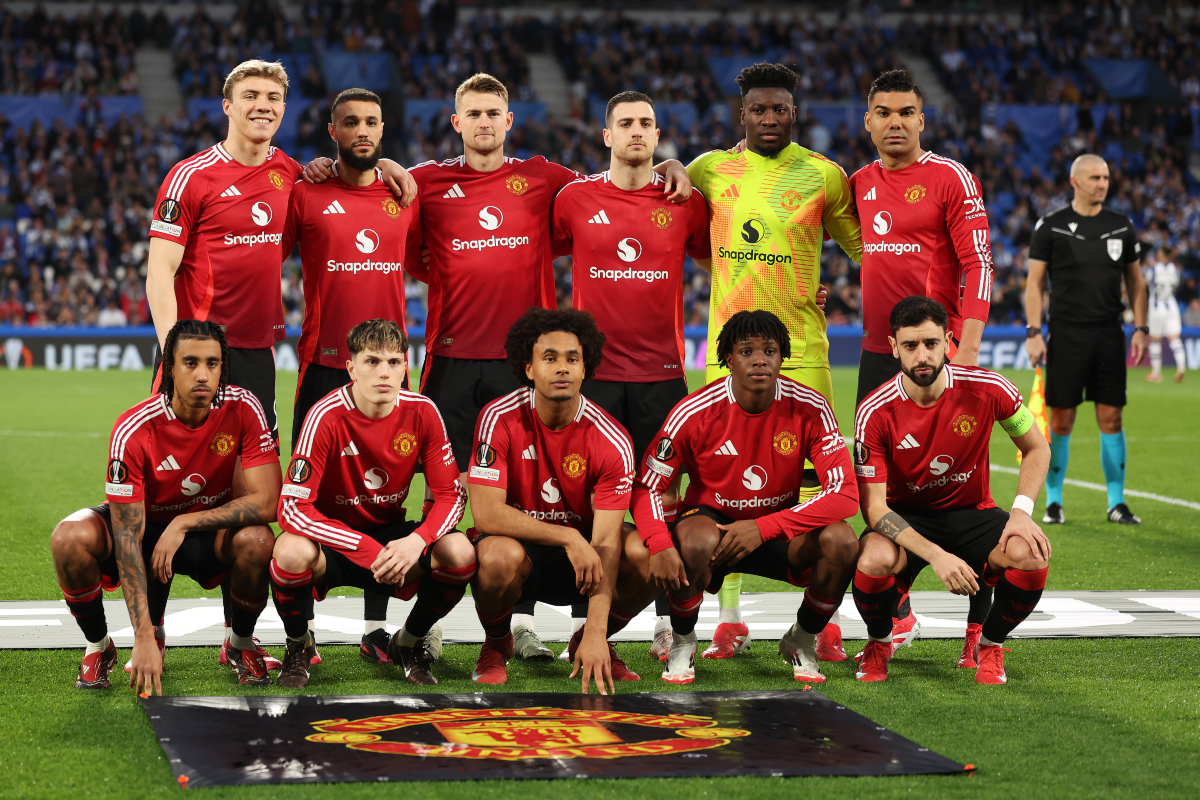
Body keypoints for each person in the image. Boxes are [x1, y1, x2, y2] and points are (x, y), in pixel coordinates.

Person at [396, 73, 690, 661]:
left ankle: (525, 621)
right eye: (472, 113)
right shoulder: (425, 183)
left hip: (519, 365)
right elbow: (408, 252)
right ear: (456, 123)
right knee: (446, 492)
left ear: (510, 122)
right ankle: (428, 620)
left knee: (531, 487)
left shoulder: (549, 181)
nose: (483, 122)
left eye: (494, 112)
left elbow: (614, 181)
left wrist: (674, 163)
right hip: (450, 358)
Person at [146, 59, 415, 658]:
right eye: (251, 96)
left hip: (257, 355)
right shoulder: (190, 177)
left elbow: (351, 180)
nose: (263, 105)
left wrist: (388, 165)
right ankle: (153, 631)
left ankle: (238, 638)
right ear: (228, 104)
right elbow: (159, 270)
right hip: (197, 357)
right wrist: (176, 351)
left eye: (273, 97)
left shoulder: (292, 175)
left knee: (250, 499)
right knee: (171, 492)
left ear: (285, 110)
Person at [685, 62, 862, 660]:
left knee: (815, 488)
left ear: (794, 112)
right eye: (758, 110)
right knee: (723, 491)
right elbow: (682, 239)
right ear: (742, 114)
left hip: (805, 353)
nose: (768, 118)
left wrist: (822, 286)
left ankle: (817, 621)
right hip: (727, 356)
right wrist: (735, 277)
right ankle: (728, 619)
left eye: (779, 109)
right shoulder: (707, 171)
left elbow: (868, 247)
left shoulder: (825, 176)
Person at [550, 90, 712, 661]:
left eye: (646, 122)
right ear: (606, 136)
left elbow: (724, 259)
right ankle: (585, 626)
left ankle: (667, 622)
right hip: (592, 380)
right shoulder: (573, 199)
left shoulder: (685, 201)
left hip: (662, 376)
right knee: (592, 504)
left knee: (660, 499)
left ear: (658, 134)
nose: (637, 131)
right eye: (626, 123)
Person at [848, 68, 997, 667]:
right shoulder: (857, 182)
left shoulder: (950, 178)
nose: (895, 123)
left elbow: (978, 264)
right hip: (878, 353)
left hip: (943, 352)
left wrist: (971, 347)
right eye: (883, 112)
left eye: (905, 112)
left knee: (966, 488)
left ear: (922, 119)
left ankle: (978, 631)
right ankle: (897, 610)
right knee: (881, 486)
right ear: (868, 121)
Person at [50, 320, 281, 693]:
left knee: (257, 540)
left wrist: (185, 523)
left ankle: (239, 643)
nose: (203, 374)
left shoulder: (243, 407)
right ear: (169, 369)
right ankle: (99, 646)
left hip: (205, 531)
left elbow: (269, 502)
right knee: (69, 538)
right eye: (190, 363)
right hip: (145, 524)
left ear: (223, 367)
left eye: (213, 363)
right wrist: (142, 636)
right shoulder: (135, 427)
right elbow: (126, 534)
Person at [631, 310, 859, 685]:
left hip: (777, 528)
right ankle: (683, 642)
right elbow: (648, 486)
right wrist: (659, 543)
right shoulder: (694, 412)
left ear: (782, 356)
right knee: (694, 539)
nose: (759, 359)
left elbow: (845, 494)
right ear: (728, 358)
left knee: (843, 542)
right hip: (712, 527)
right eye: (747, 350)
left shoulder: (811, 407)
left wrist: (765, 526)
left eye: (769, 350)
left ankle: (800, 639)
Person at [281, 87, 423, 663]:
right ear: (333, 132)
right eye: (350, 123)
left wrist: (396, 169)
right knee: (314, 496)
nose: (362, 130)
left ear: (383, 130)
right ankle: (303, 634)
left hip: (388, 368)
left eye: (371, 121)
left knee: (383, 499)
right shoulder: (305, 193)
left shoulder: (405, 193)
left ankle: (374, 631)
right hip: (323, 364)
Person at [853, 296, 1052, 684]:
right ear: (894, 348)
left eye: (930, 343)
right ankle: (880, 641)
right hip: (905, 516)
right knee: (873, 558)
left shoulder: (989, 387)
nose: (922, 355)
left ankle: (989, 645)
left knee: (1030, 552)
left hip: (973, 512)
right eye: (910, 346)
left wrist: (1021, 513)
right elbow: (874, 510)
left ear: (948, 341)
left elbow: (1037, 447)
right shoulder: (874, 412)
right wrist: (937, 556)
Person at [270, 319, 473, 687]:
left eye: (394, 362)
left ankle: (408, 643)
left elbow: (451, 496)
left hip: (392, 537)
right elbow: (292, 508)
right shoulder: (324, 415)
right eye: (372, 361)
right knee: (289, 553)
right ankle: (299, 644)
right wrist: (362, 547)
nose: (385, 372)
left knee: (459, 552)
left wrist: (417, 541)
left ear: (405, 366)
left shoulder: (422, 412)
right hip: (334, 540)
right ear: (351, 368)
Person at [467, 307, 658, 692]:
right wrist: (568, 537)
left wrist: (597, 632)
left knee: (646, 554)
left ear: (585, 369)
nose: (563, 368)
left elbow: (605, 543)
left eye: (573, 359)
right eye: (550, 358)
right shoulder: (498, 417)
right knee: (496, 557)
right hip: (524, 555)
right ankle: (497, 641)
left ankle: (588, 639)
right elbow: (486, 515)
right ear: (529, 369)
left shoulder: (611, 437)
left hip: (586, 566)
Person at [1025, 154, 1147, 525]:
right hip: (1065, 334)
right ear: (1075, 181)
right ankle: (1054, 502)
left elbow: (1136, 282)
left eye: (1106, 177)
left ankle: (1116, 502)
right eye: (1095, 177)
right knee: (1061, 421)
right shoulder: (1051, 226)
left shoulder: (1121, 226)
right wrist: (1033, 332)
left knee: (1111, 418)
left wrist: (1140, 328)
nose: (1102, 183)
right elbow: (1033, 283)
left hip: (1109, 333)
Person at [1144, 247, 1186, 383]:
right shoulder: (1175, 269)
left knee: (1155, 340)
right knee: (1174, 338)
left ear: (1162, 254)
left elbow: (1146, 281)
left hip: (1157, 308)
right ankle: (1181, 366)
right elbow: (1176, 284)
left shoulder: (1154, 268)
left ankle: (1156, 373)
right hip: (1171, 307)